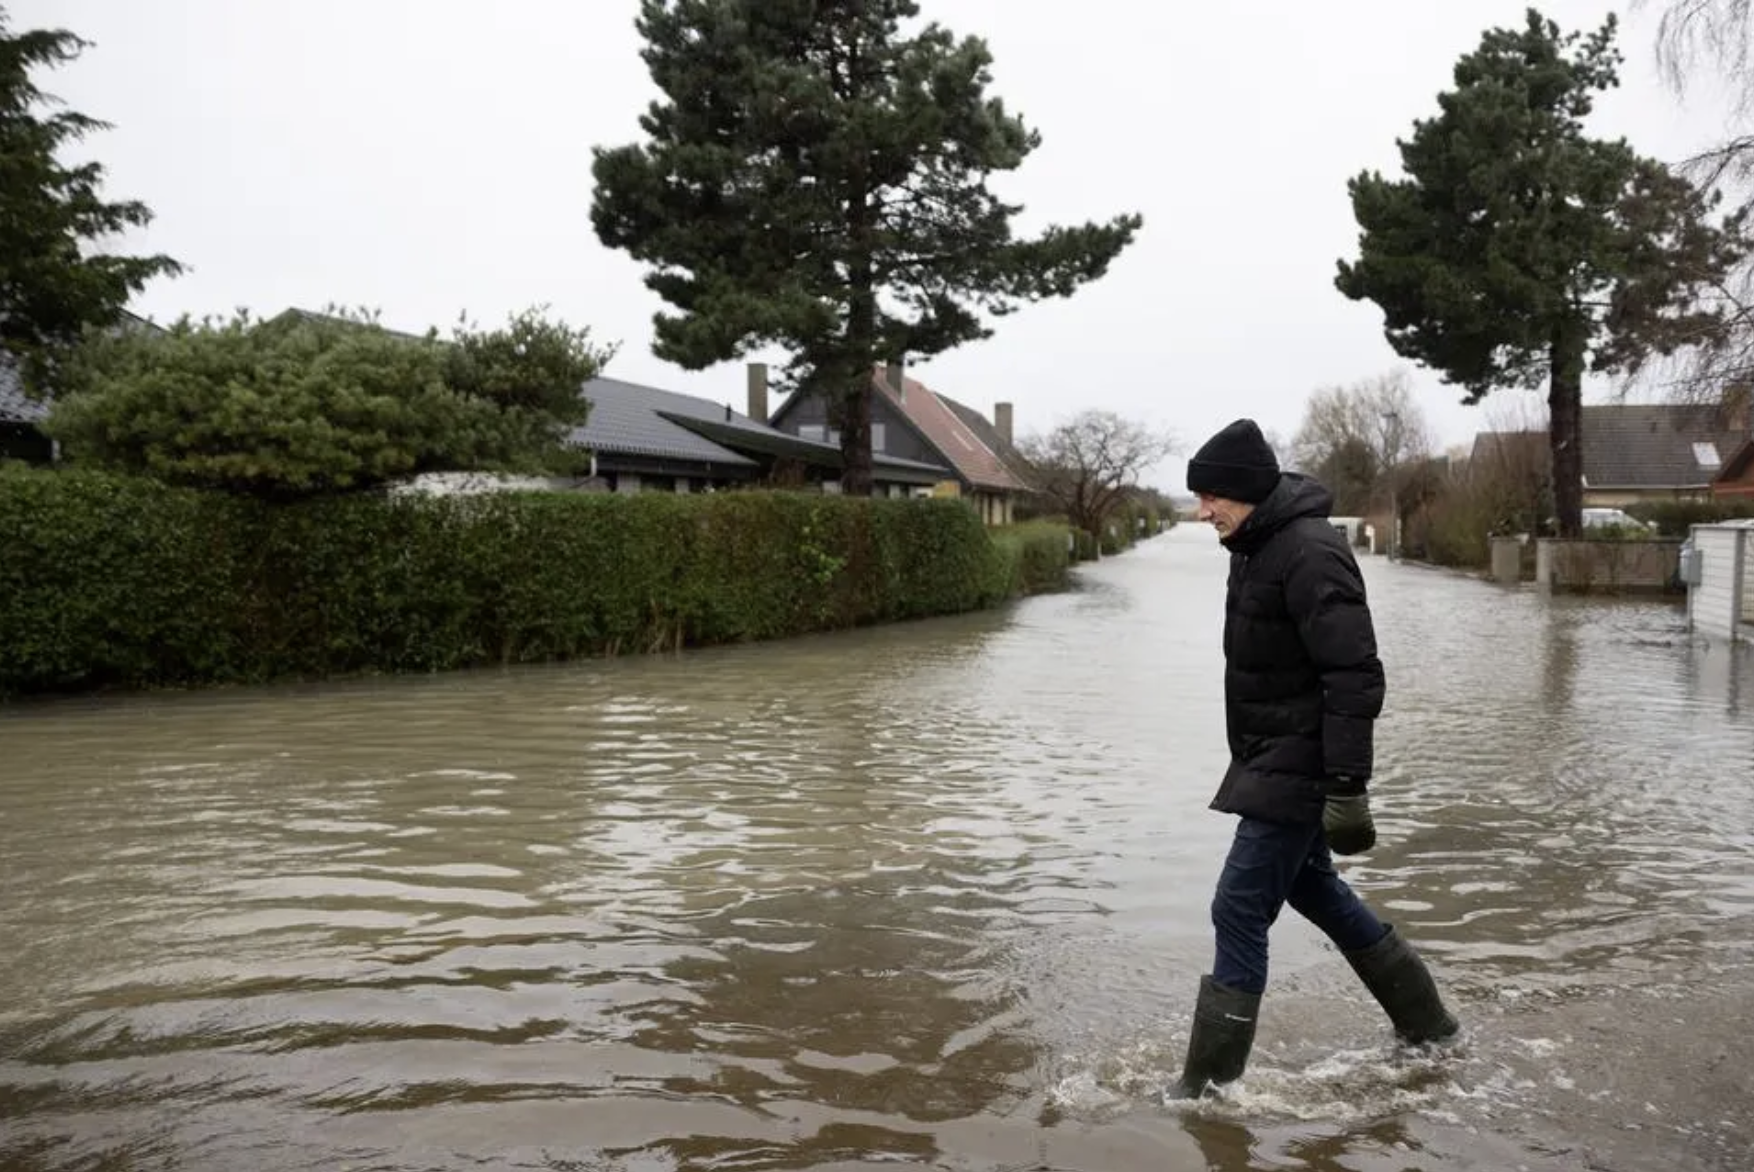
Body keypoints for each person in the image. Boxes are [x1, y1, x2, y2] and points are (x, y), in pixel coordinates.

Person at [1169, 418, 1458, 1100]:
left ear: (1245, 491)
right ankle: (1431, 1030)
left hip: (1302, 766)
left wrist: (1348, 785)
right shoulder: (1256, 547)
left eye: (1212, 495)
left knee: (1237, 906)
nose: (1201, 509)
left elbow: (1354, 674)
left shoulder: (1308, 552)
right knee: (1316, 890)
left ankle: (1207, 1094)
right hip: (1273, 757)